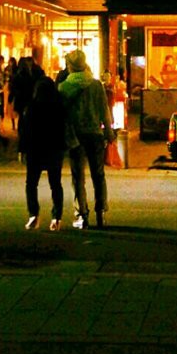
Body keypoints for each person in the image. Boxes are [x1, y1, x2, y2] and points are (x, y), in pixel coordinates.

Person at [58, 49, 115, 229]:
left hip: (75, 137)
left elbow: (63, 116)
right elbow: (104, 111)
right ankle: (101, 212)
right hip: (95, 135)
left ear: (70, 66)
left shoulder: (64, 87)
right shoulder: (96, 84)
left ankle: (82, 214)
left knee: (78, 177)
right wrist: (109, 132)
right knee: (98, 175)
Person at [21, 76, 68, 231]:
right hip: (54, 149)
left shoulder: (32, 107)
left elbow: (25, 131)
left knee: (31, 183)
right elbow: (63, 129)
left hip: (35, 149)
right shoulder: (58, 106)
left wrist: (22, 150)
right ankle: (56, 217)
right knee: (55, 184)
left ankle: (33, 214)